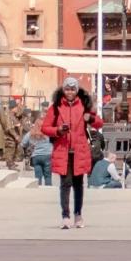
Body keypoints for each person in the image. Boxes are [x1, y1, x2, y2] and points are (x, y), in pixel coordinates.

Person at [42, 77, 100, 231]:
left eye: (72, 90)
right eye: (67, 89)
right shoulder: (55, 108)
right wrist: (58, 130)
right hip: (63, 150)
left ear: (77, 91)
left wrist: (91, 118)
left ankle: (78, 214)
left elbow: (100, 123)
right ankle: (65, 216)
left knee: (78, 185)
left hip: (79, 151)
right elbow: (45, 127)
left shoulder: (84, 105)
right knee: (65, 184)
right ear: (63, 90)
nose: (69, 92)